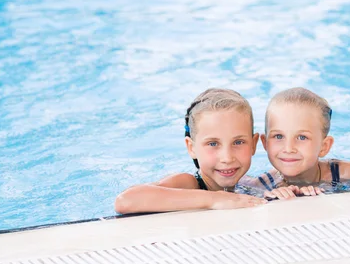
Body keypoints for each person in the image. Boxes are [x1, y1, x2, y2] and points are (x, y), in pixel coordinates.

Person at [114, 88, 267, 213]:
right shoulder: (189, 183)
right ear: (191, 148)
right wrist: (214, 199)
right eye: (213, 144)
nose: (227, 158)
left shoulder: (249, 184)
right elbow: (126, 200)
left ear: (253, 144)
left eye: (238, 142)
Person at [258, 87, 350, 199]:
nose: (288, 148)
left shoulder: (344, 173)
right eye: (278, 136)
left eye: (301, 137)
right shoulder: (263, 184)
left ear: (324, 147)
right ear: (265, 143)